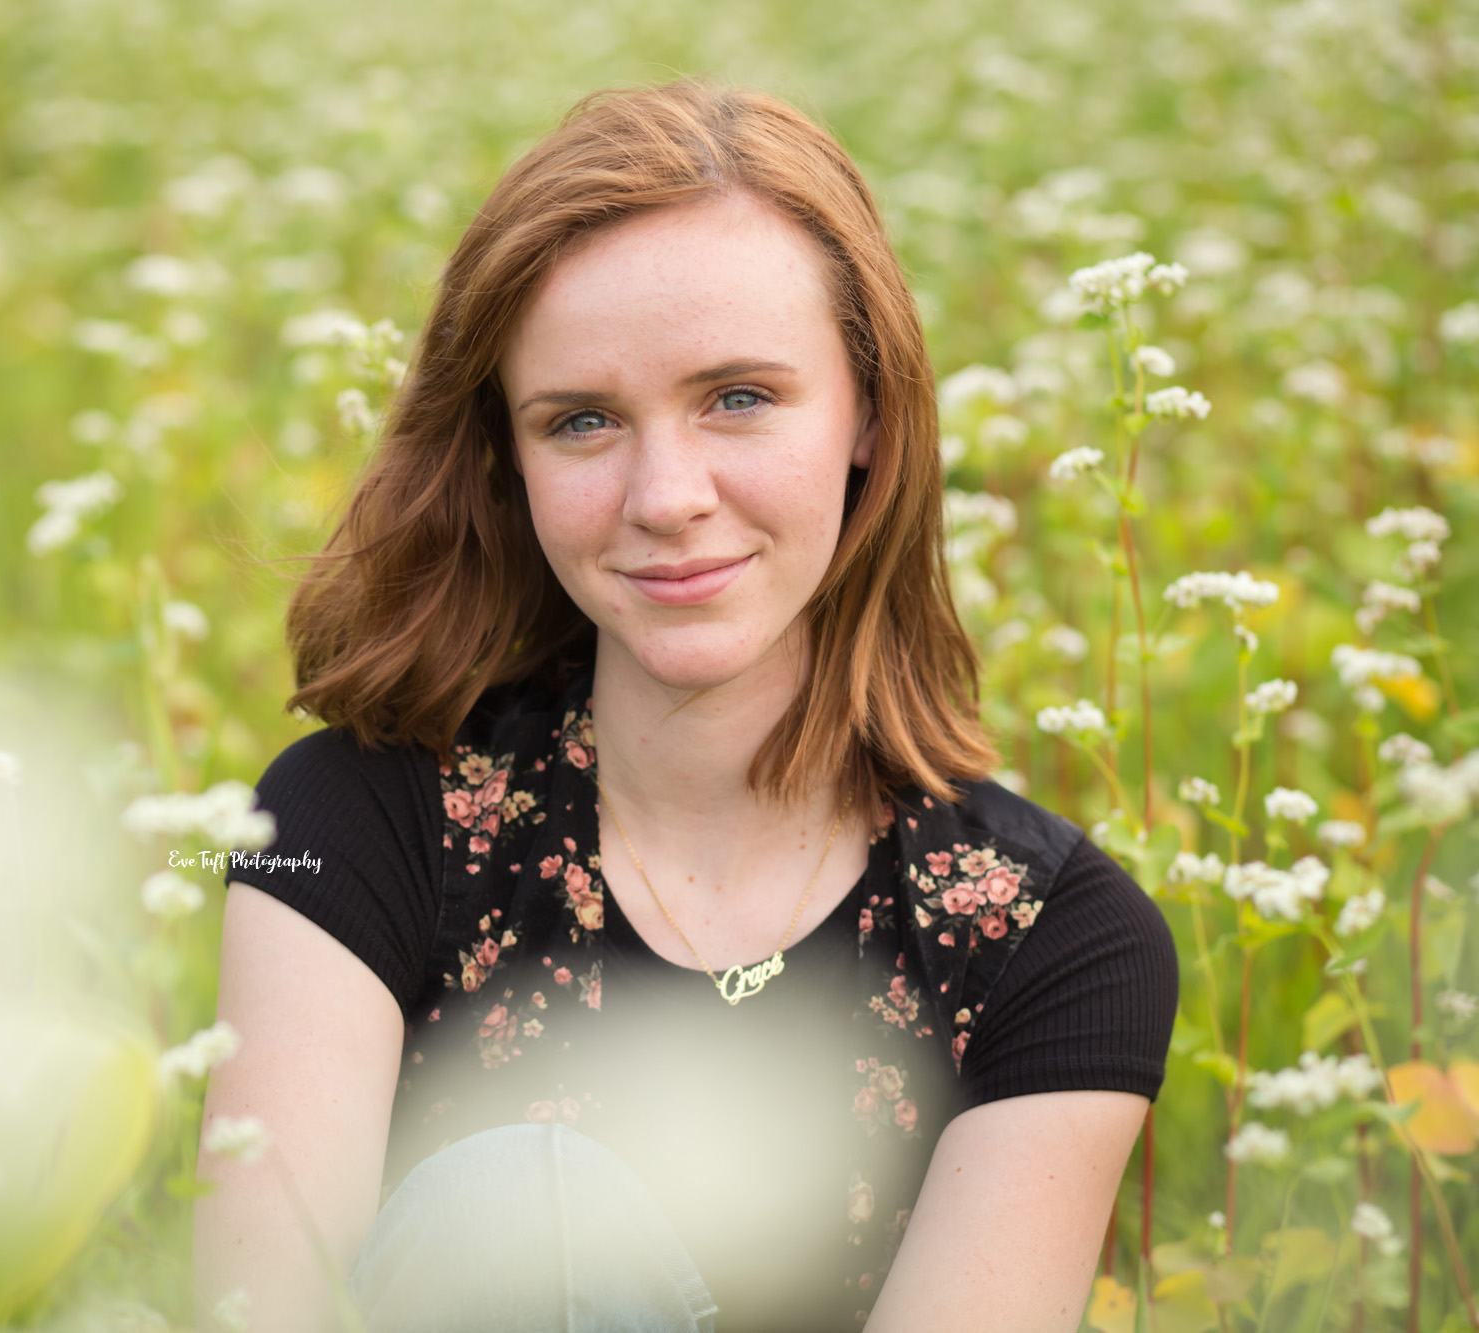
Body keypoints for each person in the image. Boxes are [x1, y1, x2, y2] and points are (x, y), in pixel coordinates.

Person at [193, 79, 1178, 1332]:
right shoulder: (351, 819)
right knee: (517, 1204)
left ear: (868, 412)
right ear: (508, 456)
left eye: (738, 398)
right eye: (583, 421)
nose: (665, 495)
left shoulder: (1050, 941)